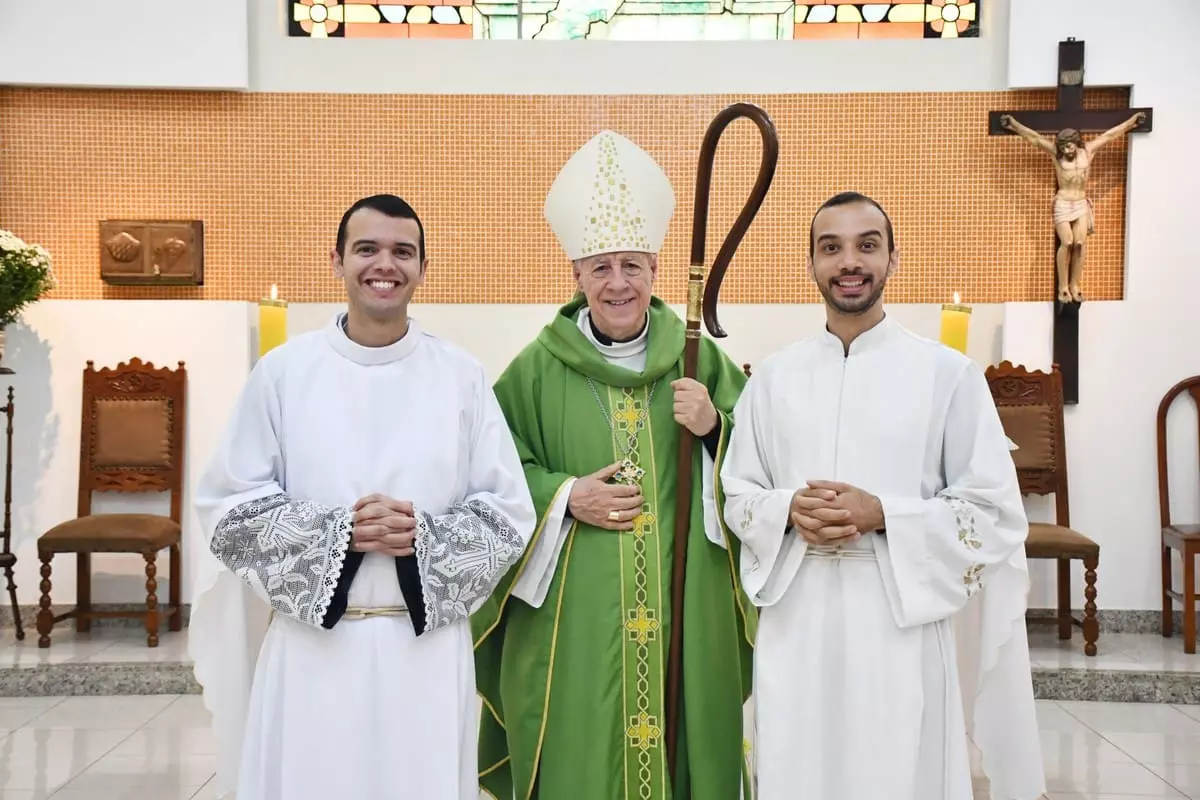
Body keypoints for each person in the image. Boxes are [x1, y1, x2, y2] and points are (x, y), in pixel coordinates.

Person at [187, 194, 536, 800]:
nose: (386, 265)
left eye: (403, 252)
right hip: (312, 652)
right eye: (367, 249)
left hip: (422, 653)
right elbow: (228, 506)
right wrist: (336, 535)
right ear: (337, 261)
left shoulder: (461, 377)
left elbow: (507, 514)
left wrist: (421, 536)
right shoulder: (284, 373)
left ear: (423, 268)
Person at [720, 191, 1047, 800]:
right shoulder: (772, 377)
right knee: (797, 768)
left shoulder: (947, 375)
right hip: (799, 609)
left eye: (867, 245)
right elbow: (737, 492)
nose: (850, 261)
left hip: (899, 613)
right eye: (831, 247)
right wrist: (785, 509)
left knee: (896, 771)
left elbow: (994, 513)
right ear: (812, 264)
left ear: (893, 259)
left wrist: (886, 516)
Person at [472, 130, 755, 800]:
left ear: (656, 269)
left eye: (632, 265)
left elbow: (761, 459)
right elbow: (493, 470)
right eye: (600, 266)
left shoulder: (700, 361)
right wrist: (565, 495)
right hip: (573, 624)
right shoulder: (537, 370)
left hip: (684, 607)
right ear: (576, 275)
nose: (618, 283)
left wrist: (715, 426)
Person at [1001, 111, 1145, 304]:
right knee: (1067, 242)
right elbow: (1035, 138)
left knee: (1079, 244)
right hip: (1063, 202)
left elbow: (1110, 135)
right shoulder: (1056, 154)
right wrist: (1014, 125)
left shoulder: (1088, 151)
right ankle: (1062, 287)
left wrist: (1131, 123)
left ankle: (1075, 285)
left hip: (1080, 203)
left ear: (1076, 142)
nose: (1066, 150)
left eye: (1069, 146)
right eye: (1063, 147)